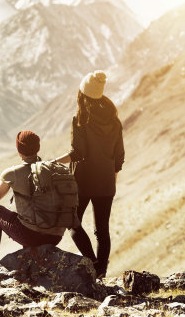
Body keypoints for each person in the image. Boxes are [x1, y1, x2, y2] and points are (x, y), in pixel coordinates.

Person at [54, 70, 124, 278]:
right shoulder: (114, 120)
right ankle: (101, 271)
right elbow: (119, 155)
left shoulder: (81, 119)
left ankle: (92, 263)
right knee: (102, 230)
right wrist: (112, 178)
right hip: (106, 183)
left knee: (72, 221)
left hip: (82, 182)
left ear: (83, 94)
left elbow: (78, 153)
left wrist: (54, 162)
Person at [0, 130, 64, 273]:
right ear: (38, 147)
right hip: (55, 236)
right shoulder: (53, 168)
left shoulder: (13, 173)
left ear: (19, 150)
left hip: (30, 236)